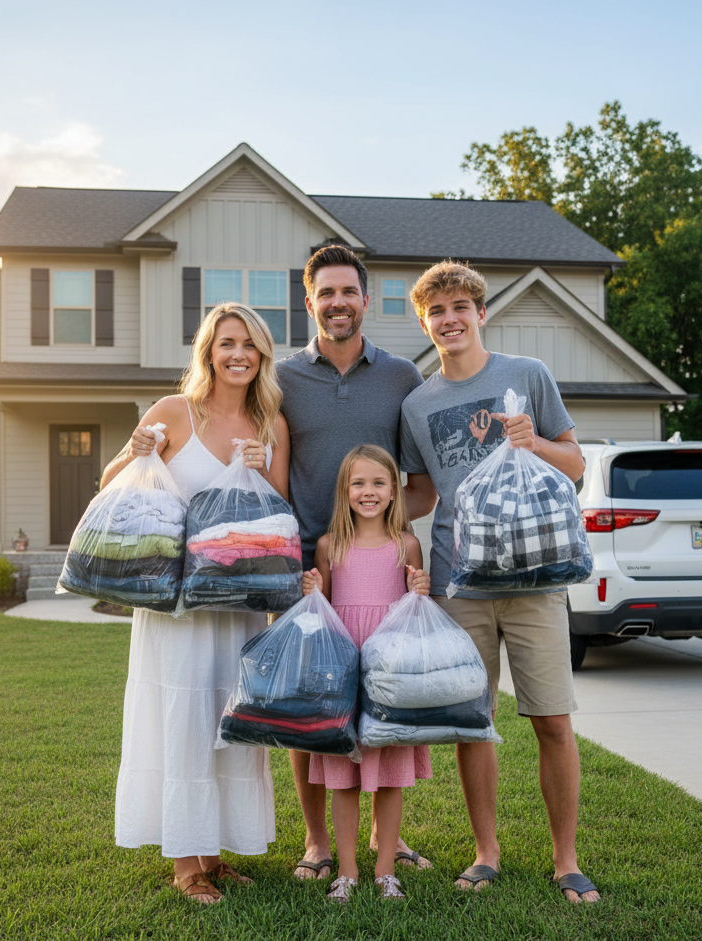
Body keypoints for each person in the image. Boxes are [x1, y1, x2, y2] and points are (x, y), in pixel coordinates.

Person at [398, 260, 601, 903]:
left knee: (552, 722)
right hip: (462, 586)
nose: (450, 319)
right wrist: (356, 526)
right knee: (472, 722)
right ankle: (486, 852)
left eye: (461, 307)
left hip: (537, 579)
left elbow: (574, 467)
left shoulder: (526, 376)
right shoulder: (417, 404)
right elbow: (423, 494)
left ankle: (565, 859)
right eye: (437, 311)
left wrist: (533, 442)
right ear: (424, 322)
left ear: (482, 314)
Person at [103, 303, 291, 905]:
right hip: (175, 607)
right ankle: (187, 864)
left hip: (237, 604)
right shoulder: (171, 413)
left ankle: (214, 853)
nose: (238, 354)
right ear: (208, 351)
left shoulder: (271, 426)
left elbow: (281, 518)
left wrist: (266, 472)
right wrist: (135, 452)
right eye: (226, 343)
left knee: (225, 722)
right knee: (183, 721)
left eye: (250, 346)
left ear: (262, 356)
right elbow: (112, 488)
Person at [276, 243, 436, 880]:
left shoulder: (402, 378)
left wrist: (388, 539)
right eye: (326, 293)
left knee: (383, 702)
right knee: (307, 707)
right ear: (309, 302)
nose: (337, 304)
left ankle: (385, 841)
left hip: (378, 574)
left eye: (349, 292)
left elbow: (421, 481)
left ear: (366, 300)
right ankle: (318, 840)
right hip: (305, 570)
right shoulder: (283, 378)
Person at [300, 445, 432, 902]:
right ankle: (348, 870)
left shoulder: (406, 545)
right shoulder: (329, 545)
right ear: (344, 490)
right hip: (344, 674)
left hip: (388, 674)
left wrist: (421, 590)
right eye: (359, 483)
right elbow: (323, 614)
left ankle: (384, 870)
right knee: (344, 774)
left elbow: (416, 612)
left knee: (389, 772)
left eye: (379, 483)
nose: (368, 492)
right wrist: (312, 591)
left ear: (395, 491)